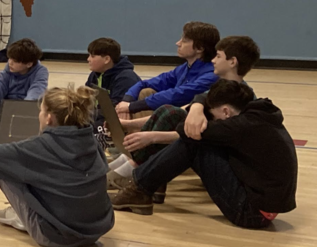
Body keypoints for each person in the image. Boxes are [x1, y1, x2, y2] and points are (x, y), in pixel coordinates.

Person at [110, 80, 297, 226]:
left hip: (252, 213)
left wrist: (192, 116)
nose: (210, 119)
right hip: (264, 204)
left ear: (225, 112)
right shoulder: (258, 112)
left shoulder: (239, 126)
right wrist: (198, 106)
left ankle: (139, 187)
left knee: (194, 142)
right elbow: (202, 96)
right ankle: (146, 185)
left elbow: (186, 130)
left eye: (213, 116)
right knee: (195, 136)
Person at [107, 36, 261, 199]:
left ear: (232, 62)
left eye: (218, 56)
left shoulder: (239, 97)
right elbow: (179, 110)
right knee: (169, 111)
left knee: (174, 119)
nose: (213, 61)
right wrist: (128, 124)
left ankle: (134, 168)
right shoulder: (220, 89)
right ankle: (140, 171)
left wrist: (151, 137)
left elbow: (203, 134)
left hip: (230, 164)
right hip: (209, 146)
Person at [0, 85, 114, 247]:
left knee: (4, 165)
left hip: (56, 237)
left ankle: (21, 216)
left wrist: (25, 148)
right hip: (96, 230)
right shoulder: (90, 140)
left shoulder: (40, 146)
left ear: (49, 118)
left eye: (41, 111)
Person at [115, 21, 220, 119]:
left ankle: (135, 134)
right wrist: (126, 101)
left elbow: (176, 95)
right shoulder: (184, 68)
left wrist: (132, 106)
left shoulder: (212, 74)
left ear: (200, 48)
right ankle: (132, 133)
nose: (178, 43)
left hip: (186, 122)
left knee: (147, 100)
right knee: (145, 92)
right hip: (174, 116)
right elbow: (147, 83)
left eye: (184, 40)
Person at [0, 39, 49, 135]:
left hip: (24, 108)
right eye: (9, 58)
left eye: (15, 61)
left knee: (41, 114)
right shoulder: (9, 68)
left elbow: (33, 97)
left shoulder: (41, 72)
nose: (10, 62)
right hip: (7, 106)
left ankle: (0, 125)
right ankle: (8, 124)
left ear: (29, 64)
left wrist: (19, 113)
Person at [85, 37, 140, 106]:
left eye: (92, 56)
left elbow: (116, 108)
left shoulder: (125, 78)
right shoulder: (94, 75)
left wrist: (90, 115)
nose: (88, 59)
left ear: (107, 59)